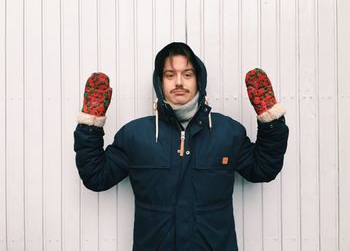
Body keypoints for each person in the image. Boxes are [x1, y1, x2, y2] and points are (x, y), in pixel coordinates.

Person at [74, 42, 289, 251]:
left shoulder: (227, 132)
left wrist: (271, 122)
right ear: (160, 82)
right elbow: (97, 176)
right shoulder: (135, 135)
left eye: (187, 74)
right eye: (170, 75)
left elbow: (262, 169)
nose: (179, 82)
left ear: (199, 80)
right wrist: (90, 123)